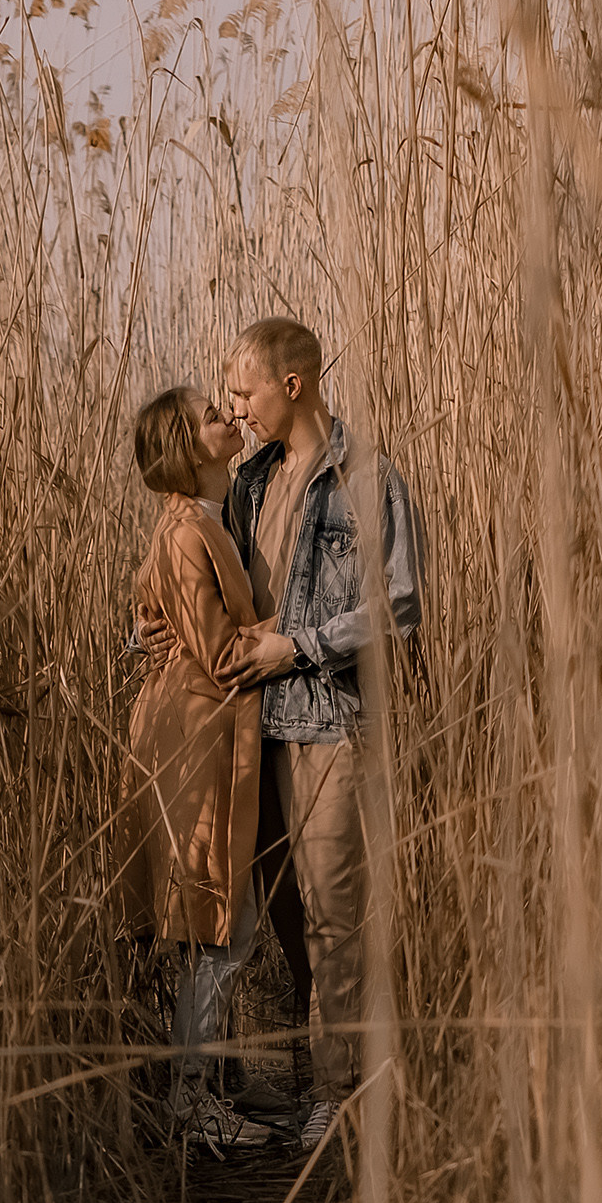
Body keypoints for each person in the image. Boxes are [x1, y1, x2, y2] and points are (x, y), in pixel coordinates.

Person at [222, 317, 424, 1149]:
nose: (235, 408)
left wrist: (298, 647)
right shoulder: (249, 482)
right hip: (252, 727)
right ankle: (317, 1075)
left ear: (293, 384)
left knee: (334, 913)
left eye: (246, 392)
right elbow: (214, 586)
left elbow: (398, 607)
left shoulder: (367, 479)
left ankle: (340, 1095)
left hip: (332, 725)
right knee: (281, 910)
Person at [121, 384, 278, 1153]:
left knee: (217, 917)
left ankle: (203, 1086)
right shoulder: (188, 531)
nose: (229, 416)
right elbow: (220, 651)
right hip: (195, 733)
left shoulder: (207, 517)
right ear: (189, 448)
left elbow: (162, 614)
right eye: (213, 416)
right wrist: (312, 624)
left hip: (198, 724)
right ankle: (191, 1103)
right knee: (217, 918)